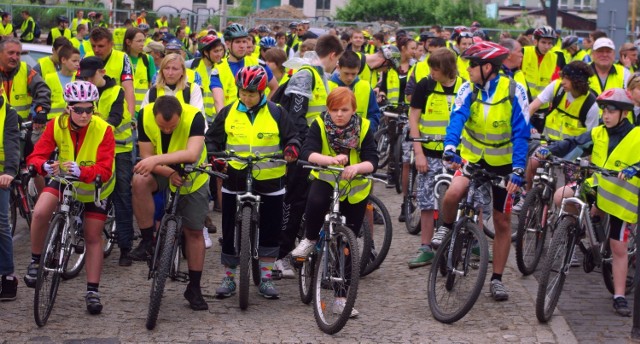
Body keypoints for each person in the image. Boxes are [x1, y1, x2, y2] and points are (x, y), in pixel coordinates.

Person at [436, 41, 530, 302]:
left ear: (487, 67)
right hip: (472, 156)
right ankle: (445, 228)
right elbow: (457, 117)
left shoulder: (514, 91)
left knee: (501, 221)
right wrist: (450, 147)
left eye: (471, 65)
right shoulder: (468, 89)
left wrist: (519, 169)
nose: (466, 69)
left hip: (504, 163)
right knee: (453, 193)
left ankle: (497, 279)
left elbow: (522, 134)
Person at [535, 88, 639, 316]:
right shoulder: (598, 132)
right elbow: (573, 143)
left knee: (618, 247)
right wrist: (548, 149)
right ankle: (574, 231)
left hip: (622, 198)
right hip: (597, 188)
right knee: (562, 195)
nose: (606, 115)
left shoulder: (637, 135)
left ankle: (619, 295)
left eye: (611, 110)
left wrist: (634, 169)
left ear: (624, 113)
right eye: (603, 110)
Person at [206, 65, 300, 300]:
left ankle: (266, 277)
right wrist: (215, 158)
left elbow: (293, 137)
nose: (246, 98)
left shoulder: (276, 112)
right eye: (243, 93)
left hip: (270, 179)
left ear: (262, 93)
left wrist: (291, 149)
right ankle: (229, 277)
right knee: (229, 229)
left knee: (270, 229)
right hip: (235, 177)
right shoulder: (228, 112)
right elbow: (212, 140)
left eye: (251, 94)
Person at [24, 81, 115, 314]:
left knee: (92, 236)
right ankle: (36, 261)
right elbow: (36, 156)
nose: (84, 114)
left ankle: (93, 291)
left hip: (95, 186)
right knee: (41, 212)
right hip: (65, 180)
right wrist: (44, 165)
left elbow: (105, 170)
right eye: (79, 109)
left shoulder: (104, 129)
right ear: (68, 108)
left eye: (89, 109)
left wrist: (82, 172)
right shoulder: (57, 125)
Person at [291, 87, 378, 316]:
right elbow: (307, 152)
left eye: (344, 110)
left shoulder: (365, 127)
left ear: (353, 110)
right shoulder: (319, 124)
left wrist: (356, 167)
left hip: (355, 189)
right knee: (317, 200)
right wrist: (329, 159)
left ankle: (341, 298)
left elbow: (373, 160)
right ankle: (309, 239)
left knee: (347, 246)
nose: (339, 114)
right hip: (327, 179)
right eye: (334, 110)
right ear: (327, 109)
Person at [133, 95, 210, 310]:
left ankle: (194, 288)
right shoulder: (145, 114)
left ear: (180, 116)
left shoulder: (194, 116)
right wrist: (167, 172)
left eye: (172, 127)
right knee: (139, 180)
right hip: (160, 169)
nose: (167, 131)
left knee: (194, 232)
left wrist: (157, 160)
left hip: (191, 173)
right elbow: (146, 155)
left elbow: (192, 153)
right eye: (162, 127)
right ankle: (147, 241)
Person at [276, 35, 344, 275]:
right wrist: (306, 148)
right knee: (295, 202)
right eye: (338, 60)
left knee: (311, 203)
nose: (337, 66)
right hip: (300, 151)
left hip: (314, 150)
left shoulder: (321, 77)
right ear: (333, 55)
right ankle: (280, 255)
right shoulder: (306, 75)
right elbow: (296, 117)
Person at [406, 48, 464, 268]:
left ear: (448, 70)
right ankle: (425, 247)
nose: (431, 72)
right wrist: (418, 152)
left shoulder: (465, 88)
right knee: (426, 200)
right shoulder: (425, 85)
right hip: (428, 153)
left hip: (457, 156)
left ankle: (469, 244)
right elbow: (414, 118)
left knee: (467, 199)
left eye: (435, 69)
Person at [77, 57, 135, 267]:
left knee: (121, 196)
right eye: (84, 77)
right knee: (86, 192)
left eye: (90, 76)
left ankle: (126, 247)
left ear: (101, 72)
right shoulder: (82, 90)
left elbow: (116, 118)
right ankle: (83, 238)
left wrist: (89, 121)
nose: (87, 81)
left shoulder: (116, 91)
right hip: (93, 149)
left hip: (120, 150)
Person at [211, 24, 278, 111]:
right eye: (238, 42)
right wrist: (223, 121)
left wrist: (264, 108)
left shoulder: (259, 64)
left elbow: (275, 88)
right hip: (231, 120)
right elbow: (218, 102)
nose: (242, 46)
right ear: (227, 44)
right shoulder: (218, 70)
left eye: (244, 41)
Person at [0, 83, 23, 302]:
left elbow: (12, 143)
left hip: (0, 176)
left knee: (1, 224)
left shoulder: (7, 112)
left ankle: (7, 275)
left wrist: (9, 171)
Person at [521, 25, 565, 131]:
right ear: (535, 41)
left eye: (550, 43)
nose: (547, 46)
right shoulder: (524, 53)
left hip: (543, 107)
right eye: (543, 42)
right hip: (524, 104)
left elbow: (558, 82)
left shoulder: (555, 58)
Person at [87, 27, 136, 119]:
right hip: (91, 115)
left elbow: (128, 89)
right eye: (93, 46)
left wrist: (130, 116)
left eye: (101, 46)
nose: (96, 50)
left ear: (111, 44)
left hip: (116, 113)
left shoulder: (122, 58)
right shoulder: (87, 57)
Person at [0, 38, 51, 124]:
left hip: (20, 128)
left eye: (18, 54)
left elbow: (41, 89)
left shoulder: (25, 70)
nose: (15, 57)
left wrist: (41, 109)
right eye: (11, 53)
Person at [328, 50, 381, 132]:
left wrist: (367, 130)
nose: (350, 78)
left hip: (360, 137)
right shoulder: (328, 86)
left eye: (353, 74)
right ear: (338, 68)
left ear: (359, 70)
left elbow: (374, 114)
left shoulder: (366, 87)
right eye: (346, 73)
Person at [188, 34, 224, 122]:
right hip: (197, 117)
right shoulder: (191, 65)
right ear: (206, 52)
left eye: (221, 50)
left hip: (216, 119)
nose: (220, 54)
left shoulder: (223, 66)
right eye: (216, 51)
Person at [123, 27, 155, 113]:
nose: (142, 44)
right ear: (128, 42)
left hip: (143, 109)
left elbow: (154, 83)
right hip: (125, 109)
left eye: (143, 41)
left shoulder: (148, 59)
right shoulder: (120, 58)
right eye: (139, 41)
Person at [44, 45, 80, 118]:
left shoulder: (79, 79)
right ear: (63, 60)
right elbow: (43, 102)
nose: (77, 64)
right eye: (74, 61)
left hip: (73, 123)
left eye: (78, 61)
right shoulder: (49, 78)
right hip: (52, 122)